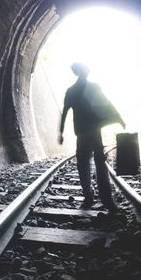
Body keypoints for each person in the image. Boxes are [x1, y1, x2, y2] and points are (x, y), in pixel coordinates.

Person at [58, 62, 125, 213]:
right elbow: (106, 104)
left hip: (83, 132)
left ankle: (90, 197)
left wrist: (61, 132)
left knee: (84, 164)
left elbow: (65, 112)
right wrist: (119, 118)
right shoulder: (90, 88)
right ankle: (106, 199)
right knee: (99, 164)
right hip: (93, 131)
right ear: (82, 72)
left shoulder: (72, 91)